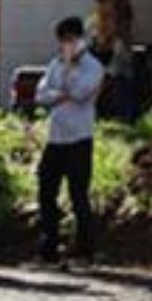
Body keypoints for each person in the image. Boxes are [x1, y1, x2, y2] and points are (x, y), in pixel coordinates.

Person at [34, 16, 102, 267]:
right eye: (62, 41)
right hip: (56, 138)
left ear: (80, 40)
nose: (66, 45)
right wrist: (60, 90)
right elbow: (41, 94)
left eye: (70, 40)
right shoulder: (55, 64)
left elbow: (81, 93)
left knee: (78, 195)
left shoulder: (92, 67)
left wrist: (64, 85)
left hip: (79, 137)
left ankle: (85, 248)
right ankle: (48, 246)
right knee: (45, 190)